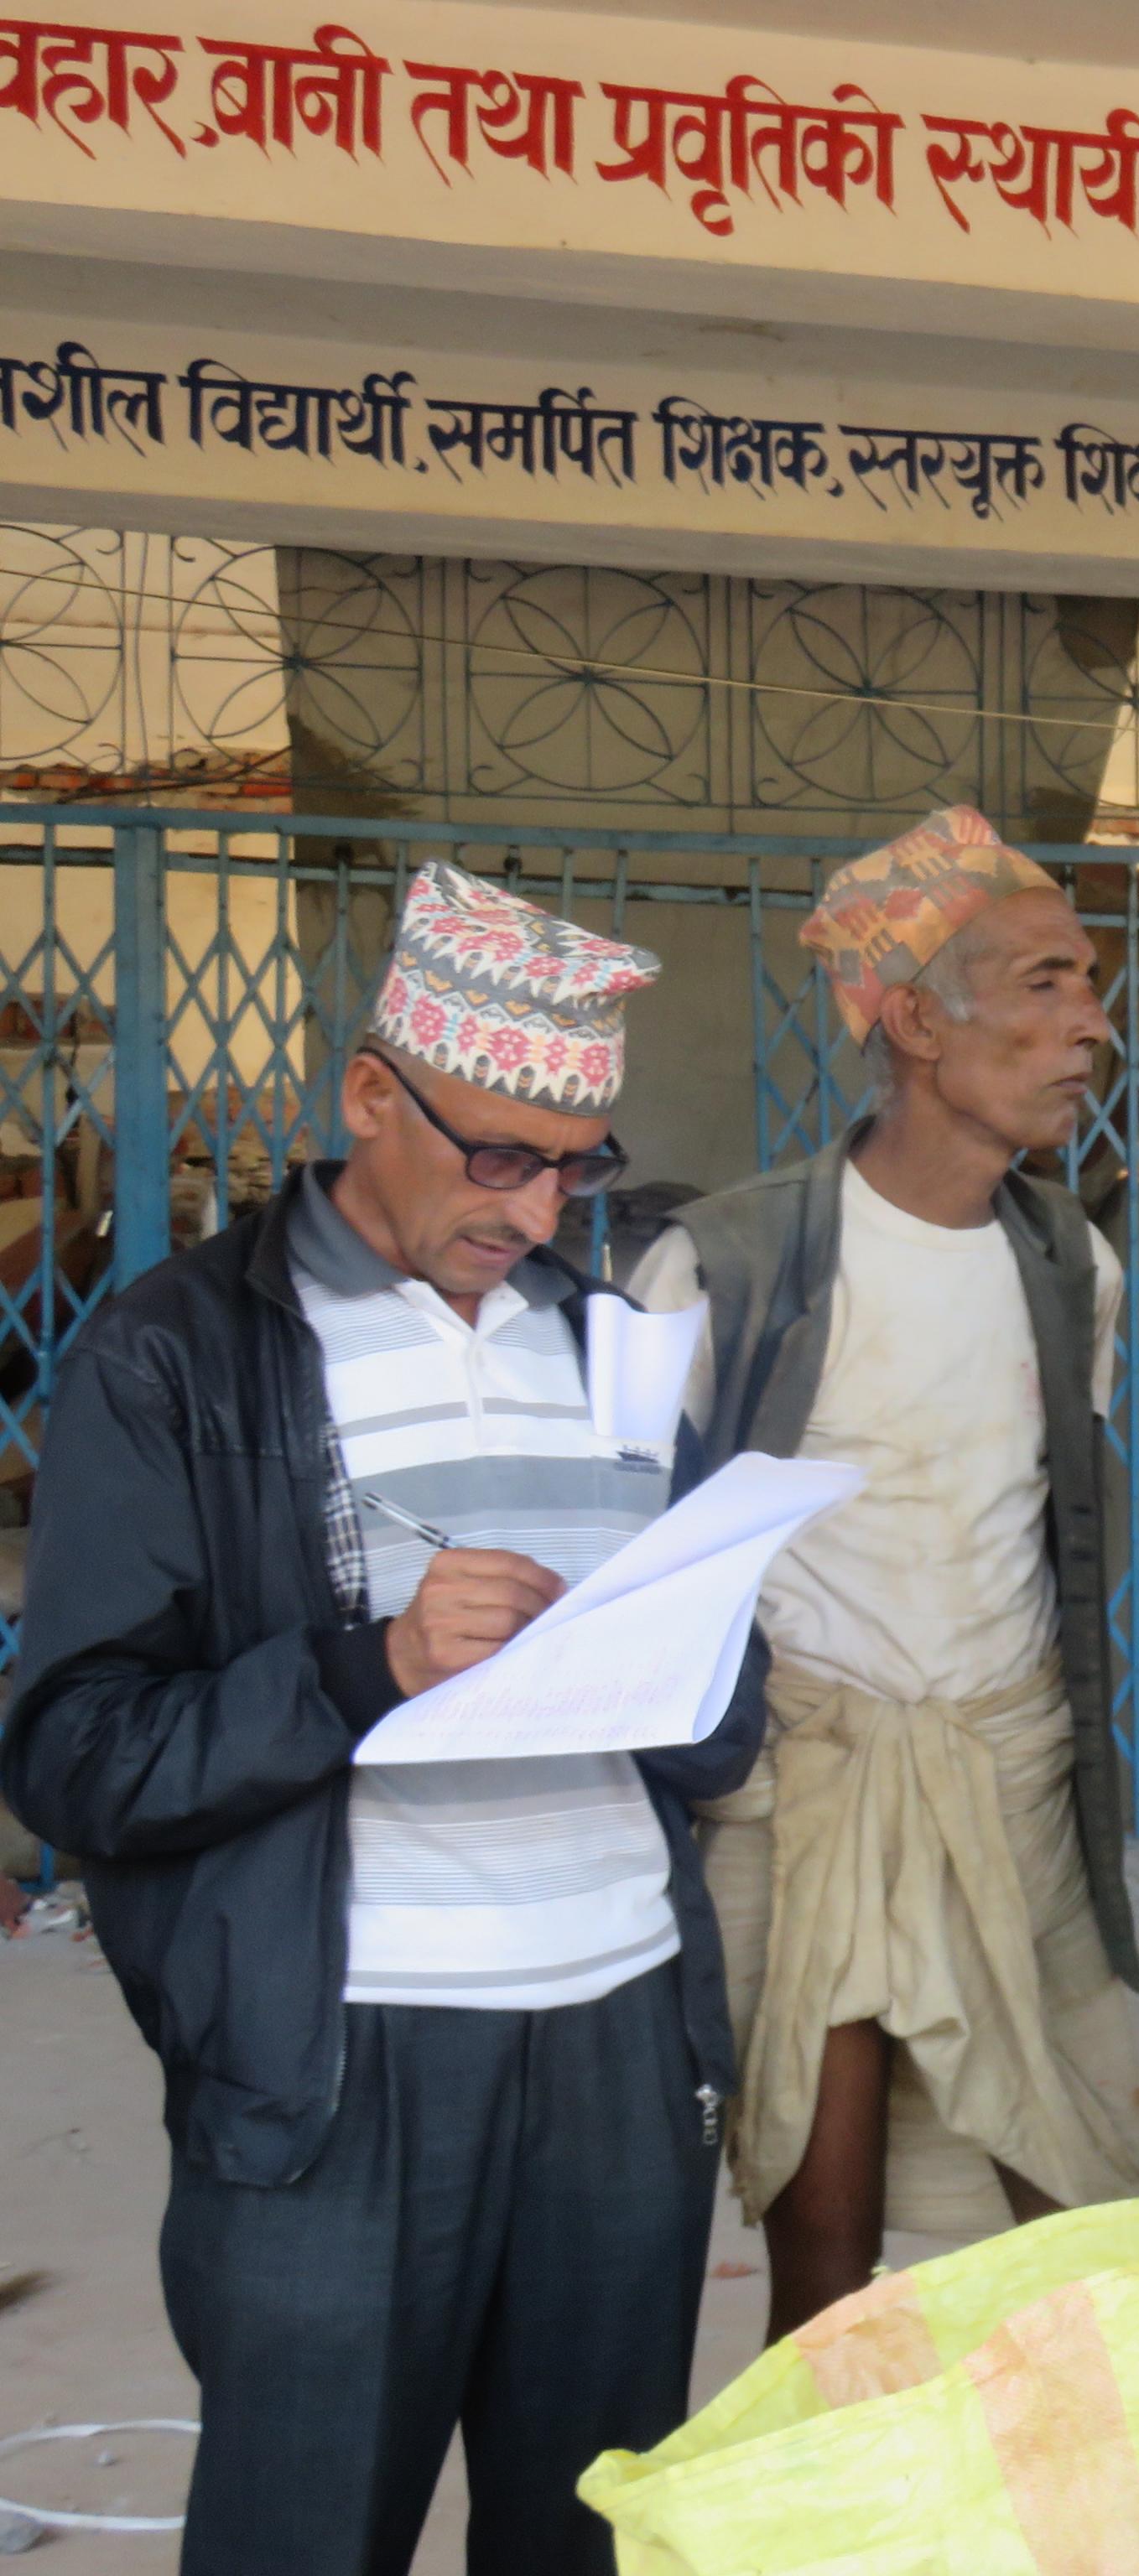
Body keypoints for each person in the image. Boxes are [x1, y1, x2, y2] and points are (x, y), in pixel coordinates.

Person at [2, 865, 763, 2575]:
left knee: (584, 2534)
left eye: (577, 1165)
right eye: (499, 1156)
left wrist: (690, 1650)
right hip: (339, 2064)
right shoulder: (180, 1357)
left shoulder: (612, 1353)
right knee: (304, 2529)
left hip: (620, 2041)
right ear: (368, 1095)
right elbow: (78, 1756)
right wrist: (371, 1668)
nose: (537, 1208)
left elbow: (724, 1731)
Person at [629, 805, 1139, 2339]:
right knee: (826, 2257)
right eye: (1047, 983)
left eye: (1091, 984)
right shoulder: (728, 1267)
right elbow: (638, 1561)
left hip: (1006, 1775)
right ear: (919, 1023)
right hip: (810, 1788)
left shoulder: (1071, 1265)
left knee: (1076, 2219)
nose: (1093, 1023)